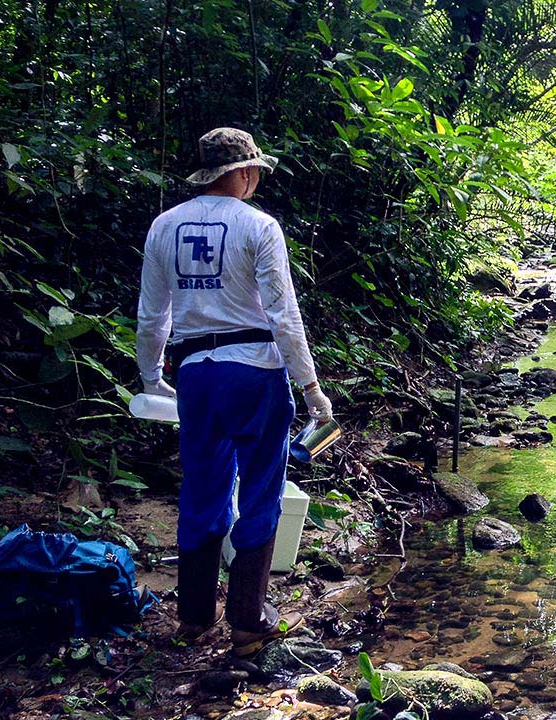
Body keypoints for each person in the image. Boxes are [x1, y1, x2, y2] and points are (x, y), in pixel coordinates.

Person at [135, 127, 332, 655]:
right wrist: (311, 387)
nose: (257, 181)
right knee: (262, 488)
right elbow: (283, 316)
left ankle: (194, 616)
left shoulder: (164, 226)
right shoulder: (259, 226)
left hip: (194, 373)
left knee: (201, 488)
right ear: (243, 173)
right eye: (256, 173)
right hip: (254, 372)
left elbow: (154, 315)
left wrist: (152, 377)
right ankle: (247, 617)